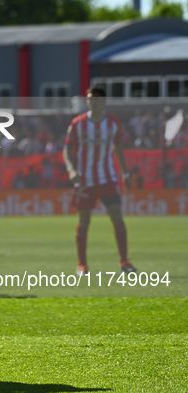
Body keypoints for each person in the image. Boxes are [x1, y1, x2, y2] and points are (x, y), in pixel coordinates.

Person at [63, 85, 136, 277]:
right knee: (84, 221)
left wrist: (126, 174)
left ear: (103, 101)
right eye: (89, 99)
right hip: (85, 180)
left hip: (107, 178)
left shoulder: (113, 123)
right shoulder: (77, 124)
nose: (92, 103)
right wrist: (71, 170)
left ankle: (124, 261)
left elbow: (118, 148)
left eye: (96, 99)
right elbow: (67, 150)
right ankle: (82, 265)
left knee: (117, 217)